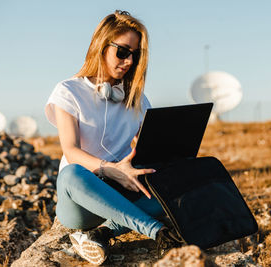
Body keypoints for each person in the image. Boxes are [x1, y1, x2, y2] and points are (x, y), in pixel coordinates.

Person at [45, 10, 181, 265]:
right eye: (122, 51)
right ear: (101, 45)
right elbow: (71, 150)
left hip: (123, 190)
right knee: (71, 173)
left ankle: (102, 233)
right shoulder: (68, 91)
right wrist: (110, 170)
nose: (129, 61)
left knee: (177, 184)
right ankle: (159, 233)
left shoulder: (136, 99)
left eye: (135, 54)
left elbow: (150, 148)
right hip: (82, 196)